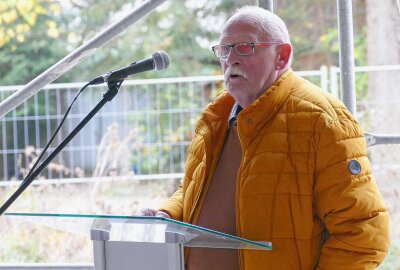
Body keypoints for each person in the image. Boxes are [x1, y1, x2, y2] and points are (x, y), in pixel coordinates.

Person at [141, 5, 390, 269]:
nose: (231, 59)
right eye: (224, 49)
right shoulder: (214, 119)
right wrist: (167, 212)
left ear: (281, 56)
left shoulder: (322, 120)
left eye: (245, 47)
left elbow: (364, 232)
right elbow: (196, 191)